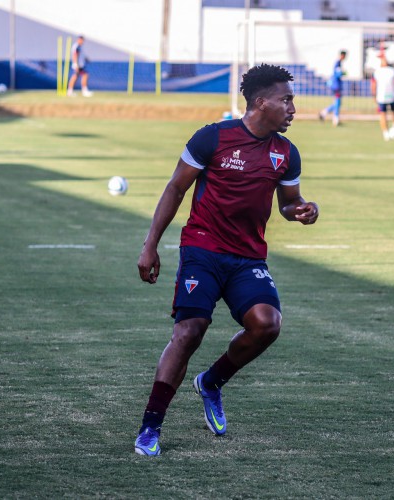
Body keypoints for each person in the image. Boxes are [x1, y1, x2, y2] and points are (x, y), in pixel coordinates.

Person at [134, 63, 319, 456]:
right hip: (202, 249)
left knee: (267, 325)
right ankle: (150, 427)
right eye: (286, 100)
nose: (293, 108)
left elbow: (288, 204)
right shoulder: (213, 138)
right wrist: (150, 244)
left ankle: (212, 381)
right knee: (189, 332)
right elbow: (176, 188)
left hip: (248, 257)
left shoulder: (286, 153)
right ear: (260, 102)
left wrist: (302, 210)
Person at [370, 55, 394, 141]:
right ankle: (386, 133)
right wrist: (374, 95)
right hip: (381, 96)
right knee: (383, 114)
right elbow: (373, 85)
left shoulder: (392, 71)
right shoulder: (377, 72)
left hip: (391, 95)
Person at [319, 50, 347, 126]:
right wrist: (344, 73)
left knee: (337, 102)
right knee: (338, 102)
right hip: (336, 85)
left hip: (336, 85)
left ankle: (324, 113)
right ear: (342, 55)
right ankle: (335, 119)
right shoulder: (338, 63)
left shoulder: (339, 63)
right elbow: (338, 74)